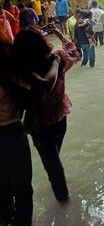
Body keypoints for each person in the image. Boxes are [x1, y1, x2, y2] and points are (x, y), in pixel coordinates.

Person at [13, 27, 79, 203]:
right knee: (55, 158)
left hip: (39, 124)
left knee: (53, 166)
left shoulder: (22, 72)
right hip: (60, 117)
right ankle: (63, 199)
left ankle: (63, 200)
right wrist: (58, 33)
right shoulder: (58, 58)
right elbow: (74, 51)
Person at [0, 36, 33, 226]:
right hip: (12, 131)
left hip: (11, 131)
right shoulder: (11, 73)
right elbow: (36, 88)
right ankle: (22, 225)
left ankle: (5, 221)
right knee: (21, 183)